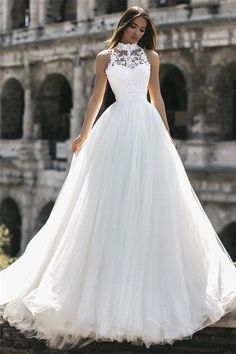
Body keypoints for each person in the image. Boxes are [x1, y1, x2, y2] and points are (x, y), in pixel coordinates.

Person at [0, 5, 236, 351]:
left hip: (145, 129)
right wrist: (83, 134)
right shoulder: (103, 57)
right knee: (107, 201)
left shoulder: (151, 57)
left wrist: (166, 136)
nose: (138, 33)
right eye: (134, 28)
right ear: (123, 26)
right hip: (115, 127)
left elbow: (157, 98)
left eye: (143, 29)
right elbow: (96, 97)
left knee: (153, 201)